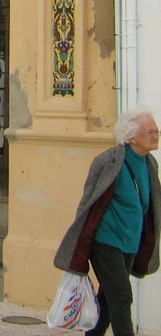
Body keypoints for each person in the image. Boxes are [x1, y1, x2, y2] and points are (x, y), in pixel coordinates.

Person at [55, 107, 161, 336]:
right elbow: (88, 204)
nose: (156, 136)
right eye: (150, 132)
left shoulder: (150, 163)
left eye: (157, 131)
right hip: (106, 241)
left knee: (107, 299)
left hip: (130, 241)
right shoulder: (108, 162)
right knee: (122, 297)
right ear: (131, 136)